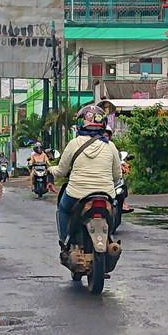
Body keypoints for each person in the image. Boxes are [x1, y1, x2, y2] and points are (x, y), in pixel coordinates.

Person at [55, 105, 123, 250]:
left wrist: (50, 170)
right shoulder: (110, 146)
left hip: (76, 194)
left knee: (63, 208)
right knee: (114, 208)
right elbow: (117, 176)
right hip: (106, 195)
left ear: (80, 124)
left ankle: (65, 241)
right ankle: (109, 238)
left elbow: (61, 171)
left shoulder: (73, 144)